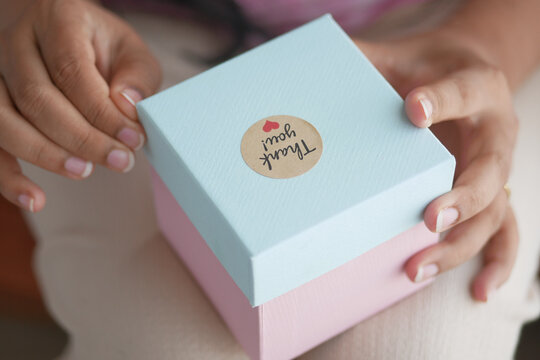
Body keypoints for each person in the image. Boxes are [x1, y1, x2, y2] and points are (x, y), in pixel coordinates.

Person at [0, 0, 538, 358]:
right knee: (161, 344)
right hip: (134, 49)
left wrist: (483, 47)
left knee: (431, 345)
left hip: (434, 28)